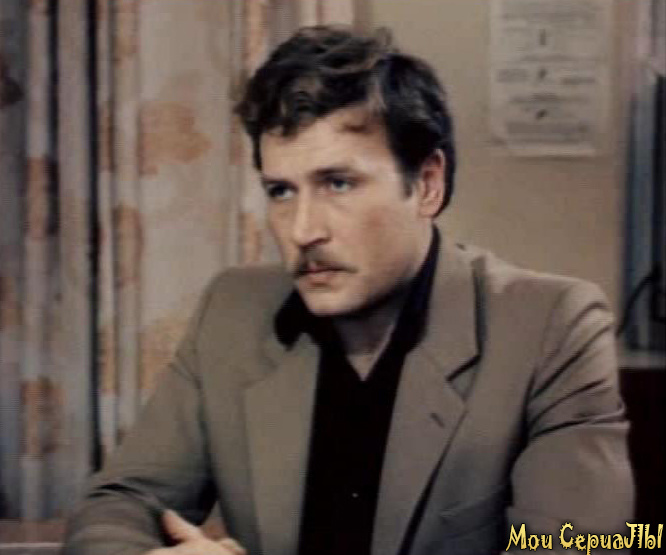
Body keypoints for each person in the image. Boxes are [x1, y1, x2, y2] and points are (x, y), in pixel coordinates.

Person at [63, 26, 633, 555]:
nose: (302, 230)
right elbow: (119, 505)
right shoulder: (232, 310)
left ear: (427, 184)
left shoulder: (550, 327)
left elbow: (587, 546)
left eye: (338, 183)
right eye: (281, 191)